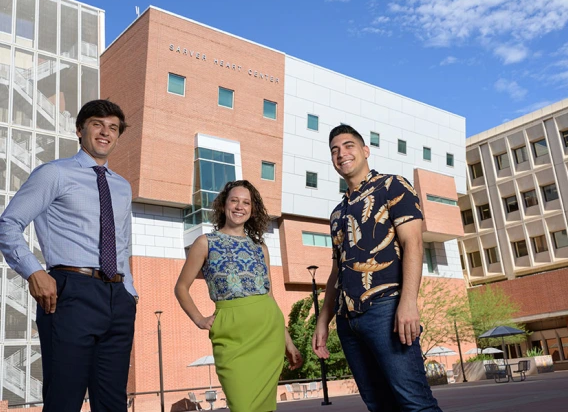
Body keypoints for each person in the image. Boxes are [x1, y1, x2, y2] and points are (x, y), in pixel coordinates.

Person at [0, 100, 137, 412]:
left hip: (118, 298)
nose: (106, 132)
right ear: (80, 130)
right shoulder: (54, 174)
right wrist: (34, 271)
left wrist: (130, 290)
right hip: (71, 293)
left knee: (113, 402)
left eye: (113, 128)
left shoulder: (122, 187)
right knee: (65, 399)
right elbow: (8, 224)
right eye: (97, 124)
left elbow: (123, 243)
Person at [312, 125, 441, 412]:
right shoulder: (337, 213)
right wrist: (324, 319)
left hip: (386, 310)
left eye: (348, 146)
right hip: (348, 321)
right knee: (378, 405)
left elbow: (414, 244)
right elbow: (337, 271)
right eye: (334, 150)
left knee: (415, 403)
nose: (341, 154)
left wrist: (408, 303)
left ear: (365, 150)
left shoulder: (392, 185)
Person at [175, 180, 303, 412]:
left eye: (246, 203)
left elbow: (270, 296)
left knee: (265, 407)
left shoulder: (259, 248)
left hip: (268, 330)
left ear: (252, 210)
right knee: (242, 405)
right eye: (234, 200)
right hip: (230, 334)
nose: (239, 206)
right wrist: (200, 319)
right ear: (224, 205)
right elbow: (181, 287)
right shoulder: (205, 243)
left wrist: (289, 344)